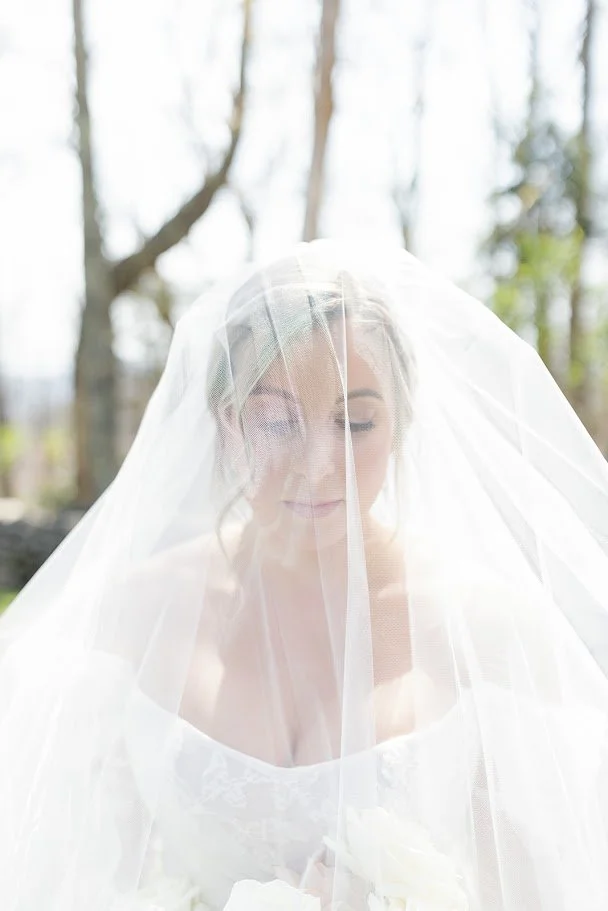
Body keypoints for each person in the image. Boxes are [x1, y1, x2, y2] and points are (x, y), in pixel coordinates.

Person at [1, 239, 608, 910]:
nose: (320, 462)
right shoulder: (135, 611)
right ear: (227, 423)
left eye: (355, 421)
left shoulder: (485, 626)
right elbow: (63, 870)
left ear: (401, 423)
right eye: (277, 420)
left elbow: (548, 884)